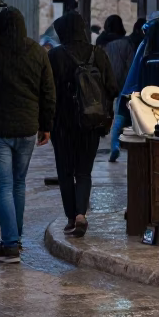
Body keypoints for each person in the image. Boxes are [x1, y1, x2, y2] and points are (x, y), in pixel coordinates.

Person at [0, 7, 55, 265]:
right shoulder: (37, 52)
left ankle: (10, 244)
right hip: (27, 129)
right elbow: (48, 92)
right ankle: (15, 238)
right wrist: (46, 125)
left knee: (3, 186)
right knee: (18, 184)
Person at [48, 12, 119, 237]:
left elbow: (47, 92)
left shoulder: (55, 56)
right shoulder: (98, 53)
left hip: (62, 125)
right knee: (84, 172)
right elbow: (112, 88)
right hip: (91, 123)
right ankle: (81, 214)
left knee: (65, 172)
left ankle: (71, 218)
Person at [105, 16, 143, 162]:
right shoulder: (127, 44)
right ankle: (117, 144)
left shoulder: (104, 43)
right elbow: (131, 66)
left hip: (108, 83)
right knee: (120, 115)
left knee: (114, 115)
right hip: (124, 85)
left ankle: (114, 144)